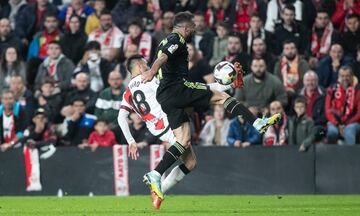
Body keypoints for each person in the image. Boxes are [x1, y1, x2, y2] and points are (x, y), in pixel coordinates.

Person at [140, 12, 281, 205]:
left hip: (167, 97)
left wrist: (232, 83)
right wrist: (152, 70)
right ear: (186, 27)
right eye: (193, 27)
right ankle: (257, 122)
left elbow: (168, 59)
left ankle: (157, 177)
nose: (195, 30)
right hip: (177, 89)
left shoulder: (166, 40)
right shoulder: (176, 40)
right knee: (221, 97)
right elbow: (164, 57)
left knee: (185, 146)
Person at [118, 54, 242, 209]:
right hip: (169, 120)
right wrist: (224, 86)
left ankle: (159, 192)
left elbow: (121, 117)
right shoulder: (150, 79)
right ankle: (155, 175)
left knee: (190, 163)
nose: (149, 66)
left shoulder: (127, 92)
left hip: (156, 128)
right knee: (184, 139)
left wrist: (131, 141)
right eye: (146, 63)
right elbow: (175, 94)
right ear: (139, 66)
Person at [325, 66, 360, 145]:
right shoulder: (331, 90)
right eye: (342, 76)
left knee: (349, 131)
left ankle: (350, 156)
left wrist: (346, 124)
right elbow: (327, 110)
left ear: (352, 77)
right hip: (334, 122)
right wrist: (337, 124)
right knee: (332, 132)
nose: (345, 78)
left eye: (347, 76)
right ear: (338, 77)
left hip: (352, 122)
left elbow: (358, 114)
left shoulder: (358, 91)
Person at [95, 70, 126, 144]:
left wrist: (112, 125)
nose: (115, 82)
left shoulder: (127, 93)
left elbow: (128, 114)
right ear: (108, 81)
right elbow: (97, 112)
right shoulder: (103, 93)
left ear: (122, 80)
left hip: (119, 125)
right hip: (103, 125)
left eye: (117, 79)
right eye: (112, 79)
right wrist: (102, 125)